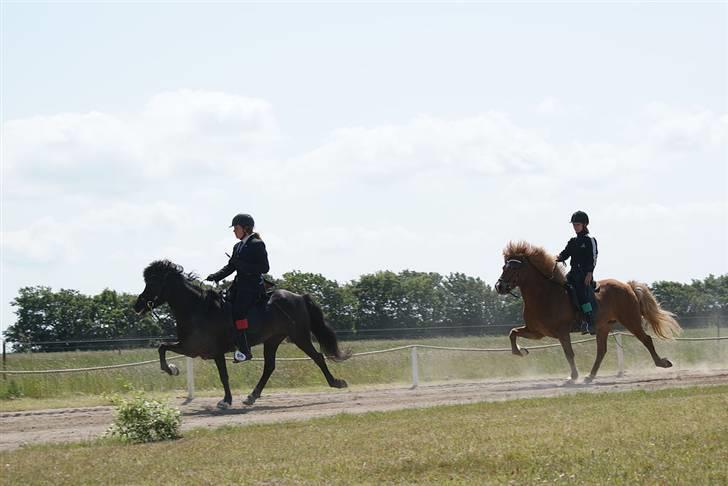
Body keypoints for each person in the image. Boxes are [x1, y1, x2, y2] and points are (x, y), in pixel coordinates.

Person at [206, 213, 269, 362]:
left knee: (238, 313)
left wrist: (242, 265)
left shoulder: (257, 244)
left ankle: (245, 351)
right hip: (238, 287)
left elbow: (264, 267)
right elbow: (230, 267)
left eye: (236, 227)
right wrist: (215, 276)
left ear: (246, 228)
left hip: (253, 288)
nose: (234, 231)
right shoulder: (237, 246)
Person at [556, 210, 598, 335]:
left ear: (585, 224)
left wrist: (589, 273)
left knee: (581, 294)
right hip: (572, 273)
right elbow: (565, 254)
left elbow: (593, 257)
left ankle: (589, 321)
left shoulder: (589, 240)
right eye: (574, 224)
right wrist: (555, 258)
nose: (575, 227)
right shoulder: (573, 241)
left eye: (577, 224)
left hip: (584, 275)